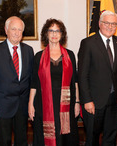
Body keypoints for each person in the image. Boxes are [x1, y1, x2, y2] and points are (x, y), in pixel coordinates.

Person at [78, 10, 117, 146]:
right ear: (100, 23)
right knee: (92, 138)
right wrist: (87, 100)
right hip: (94, 101)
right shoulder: (88, 43)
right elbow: (82, 75)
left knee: (110, 137)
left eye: (113, 24)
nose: (110, 26)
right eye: (106, 23)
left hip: (115, 100)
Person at [28, 18, 79, 146]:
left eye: (58, 31)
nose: (54, 34)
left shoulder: (70, 55)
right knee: (45, 136)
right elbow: (34, 82)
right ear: (46, 34)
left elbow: (75, 82)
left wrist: (77, 102)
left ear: (62, 34)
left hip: (66, 105)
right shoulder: (38, 57)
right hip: (43, 104)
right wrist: (30, 103)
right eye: (51, 31)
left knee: (64, 136)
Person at [0, 16, 34, 146]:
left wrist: (31, 102)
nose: (17, 33)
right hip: (2, 105)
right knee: (4, 140)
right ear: (6, 30)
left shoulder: (29, 51)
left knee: (22, 139)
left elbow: (30, 79)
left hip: (22, 104)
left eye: (20, 30)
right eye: (13, 29)